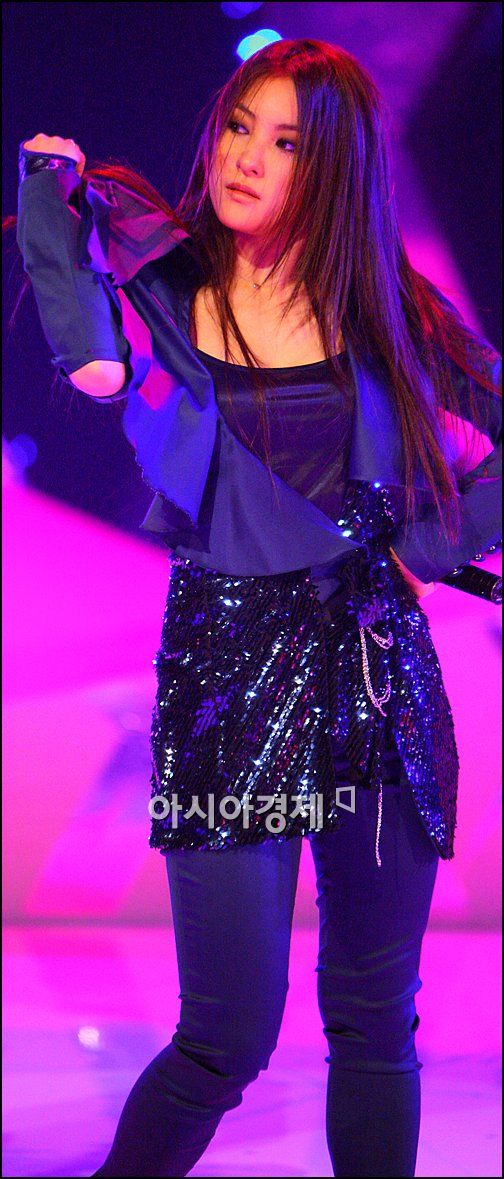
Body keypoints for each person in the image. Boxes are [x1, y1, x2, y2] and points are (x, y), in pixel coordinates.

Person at [6, 37, 501, 1179]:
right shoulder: (167, 278)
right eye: (239, 125)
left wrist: (431, 545)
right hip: (226, 679)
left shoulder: (388, 305)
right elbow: (92, 364)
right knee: (224, 1037)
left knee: (374, 1027)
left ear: (330, 170)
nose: (246, 157)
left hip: (374, 682)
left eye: (284, 142)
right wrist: (45, 198)